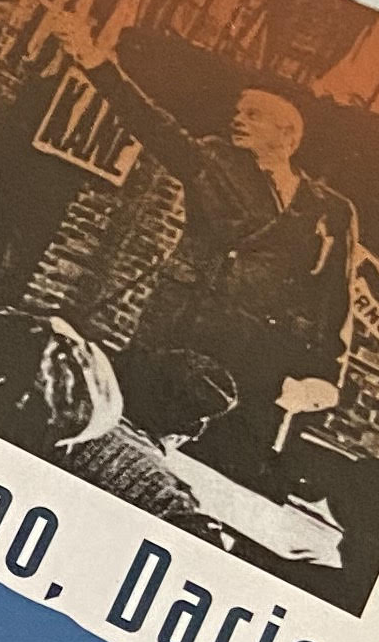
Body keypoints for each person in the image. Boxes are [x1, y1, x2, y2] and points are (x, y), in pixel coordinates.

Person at [62, 25, 358, 479]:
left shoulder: (331, 209)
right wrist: (99, 65)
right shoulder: (212, 160)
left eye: (253, 115)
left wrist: (325, 376)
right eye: (238, 112)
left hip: (258, 356)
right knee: (137, 442)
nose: (238, 120)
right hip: (185, 327)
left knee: (223, 464)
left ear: (288, 137)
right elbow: (152, 124)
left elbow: (335, 297)